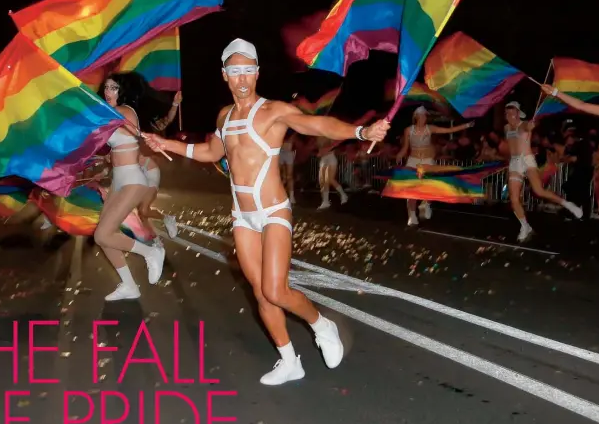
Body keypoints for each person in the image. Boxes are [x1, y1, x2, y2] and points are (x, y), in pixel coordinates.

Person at [144, 39, 390, 386]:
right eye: (235, 71)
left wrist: (361, 131)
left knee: (276, 290)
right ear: (224, 75)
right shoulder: (224, 117)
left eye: (248, 70)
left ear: (257, 73)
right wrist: (166, 143)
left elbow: (316, 126)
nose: (242, 78)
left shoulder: (274, 111)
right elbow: (211, 152)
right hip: (242, 217)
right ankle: (290, 361)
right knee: (260, 293)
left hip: (273, 211)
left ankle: (322, 325)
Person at [94, 73, 166, 302]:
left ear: (123, 92)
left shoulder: (124, 111)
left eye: (114, 88)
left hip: (133, 180)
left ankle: (151, 252)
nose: (108, 92)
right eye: (106, 87)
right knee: (102, 237)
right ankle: (129, 285)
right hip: (119, 180)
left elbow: (101, 124)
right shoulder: (113, 113)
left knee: (103, 233)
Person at [503, 101, 583, 242]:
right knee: (514, 200)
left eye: (512, 111)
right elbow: (511, 145)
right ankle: (525, 226)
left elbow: (530, 125)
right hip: (515, 163)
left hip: (526, 160)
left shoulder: (525, 125)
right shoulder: (506, 128)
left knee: (539, 191)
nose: (510, 114)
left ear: (518, 113)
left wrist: (532, 125)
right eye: (508, 112)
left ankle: (567, 204)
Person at [395, 106, 474, 226]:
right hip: (413, 160)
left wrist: (466, 126)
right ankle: (411, 215)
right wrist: (400, 154)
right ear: (416, 116)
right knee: (411, 189)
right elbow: (406, 147)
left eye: (425, 115)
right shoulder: (408, 130)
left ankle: (426, 204)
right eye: (422, 115)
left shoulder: (430, 128)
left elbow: (448, 130)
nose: (424, 117)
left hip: (427, 161)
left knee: (430, 185)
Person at [137, 90, 182, 239]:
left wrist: (175, 104)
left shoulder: (147, 124)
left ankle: (167, 218)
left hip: (149, 170)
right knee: (142, 213)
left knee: (143, 210)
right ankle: (154, 242)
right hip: (133, 174)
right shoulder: (124, 126)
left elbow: (167, 120)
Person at [316, 140, 348, 209]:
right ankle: (325, 201)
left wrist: (324, 151)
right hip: (323, 159)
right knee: (322, 181)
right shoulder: (319, 137)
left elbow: (335, 145)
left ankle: (343, 195)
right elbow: (320, 151)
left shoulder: (330, 136)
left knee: (330, 179)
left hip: (330, 158)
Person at [280, 131, 297, 204]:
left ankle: (292, 197)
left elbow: (291, 139)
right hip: (280, 151)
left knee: (289, 176)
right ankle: (281, 195)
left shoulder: (292, 131)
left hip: (289, 153)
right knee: (280, 175)